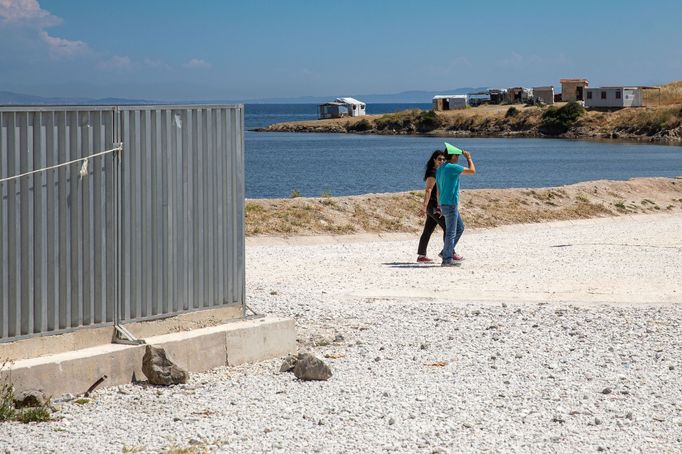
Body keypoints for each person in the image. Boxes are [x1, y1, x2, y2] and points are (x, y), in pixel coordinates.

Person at [435, 142, 476, 267]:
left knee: (460, 228)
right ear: (453, 156)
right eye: (457, 156)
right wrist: (468, 157)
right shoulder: (452, 167)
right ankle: (447, 260)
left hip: (443, 203)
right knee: (451, 232)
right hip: (451, 204)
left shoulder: (440, 168)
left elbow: (438, 189)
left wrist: (439, 205)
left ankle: (445, 252)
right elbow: (472, 171)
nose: (458, 158)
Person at [417, 150, 447, 263]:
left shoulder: (437, 172)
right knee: (448, 228)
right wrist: (424, 207)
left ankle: (421, 256)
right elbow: (428, 190)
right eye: (439, 159)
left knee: (428, 230)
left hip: (433, 206)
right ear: (434, 159)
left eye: (443, 159)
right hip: (434, 206)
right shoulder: (432, 172)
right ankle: (448, 252)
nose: (442, 161)